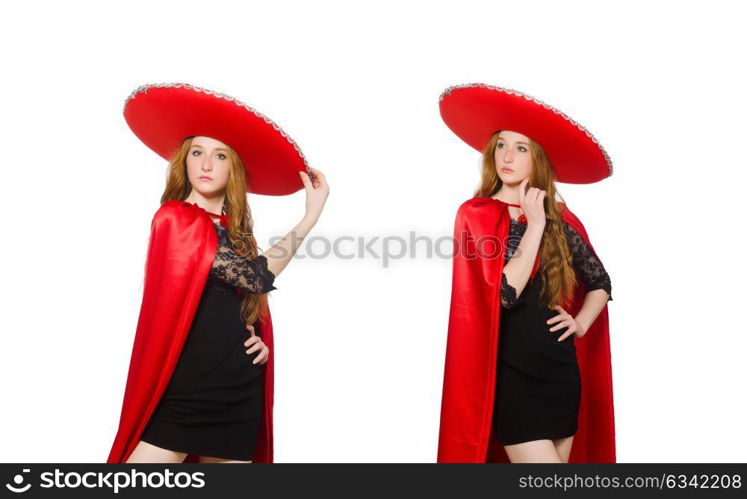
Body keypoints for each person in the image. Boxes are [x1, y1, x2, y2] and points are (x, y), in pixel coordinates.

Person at [107, 83, 329, 464]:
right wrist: (309, 217)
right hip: (183, 390)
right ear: (185, 161)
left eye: (220, 155)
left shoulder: (233, 231)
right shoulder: (176, 219)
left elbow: (243, 297)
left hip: (236, 389)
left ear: (234, 167)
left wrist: (257, 340)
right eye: (197, 153)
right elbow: (255, 278)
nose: (206, 165)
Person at [437, 84, 616, 463]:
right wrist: (533, 226)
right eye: (501, 144)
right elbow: (505, 294)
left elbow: (600, 282)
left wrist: (581, 324)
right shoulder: (476, 214)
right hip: (509, 380)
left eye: (521, 148)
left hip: (560, 374)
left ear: (538, 159)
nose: (507, 155)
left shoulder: (563, 221)